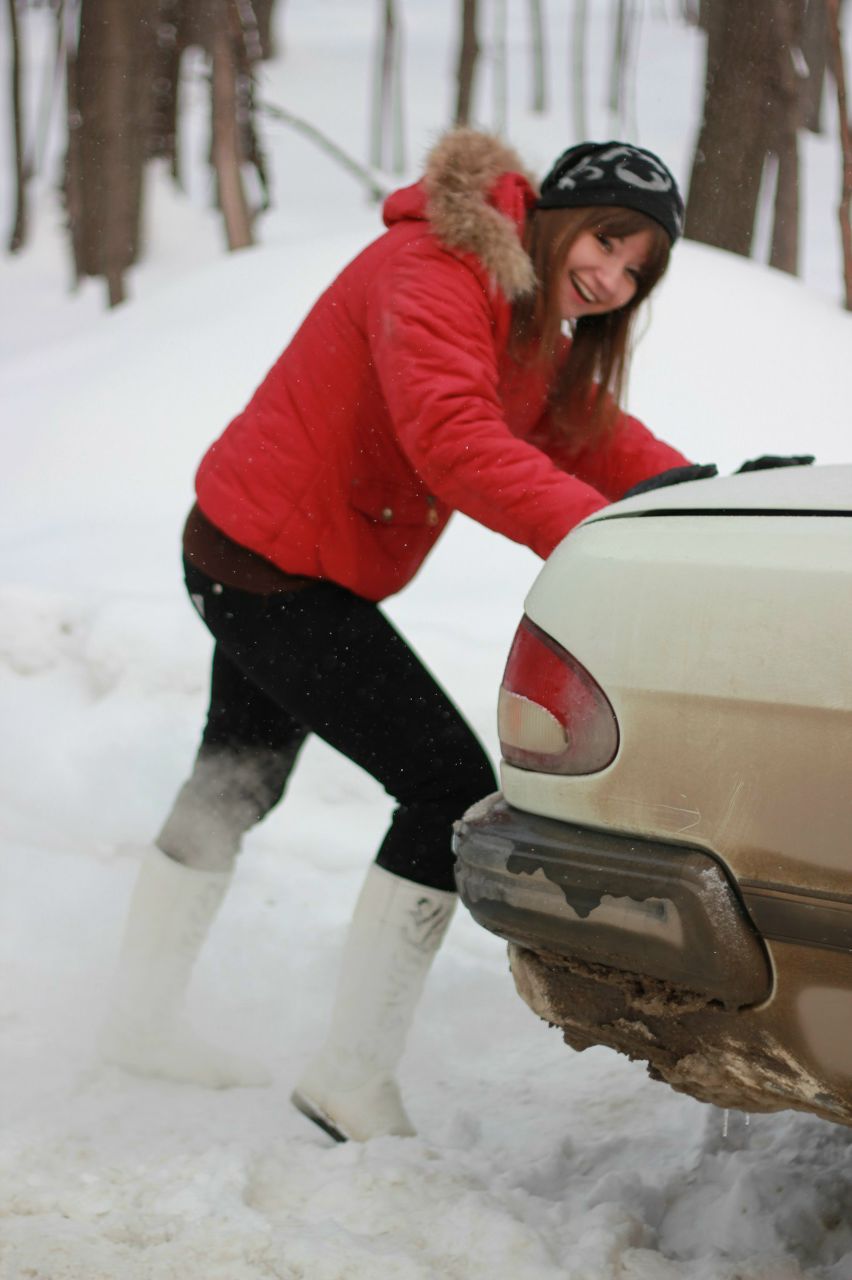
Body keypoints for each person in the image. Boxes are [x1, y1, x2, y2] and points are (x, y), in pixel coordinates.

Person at [99, 130, 696, 1143]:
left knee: (238, 772)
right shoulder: (438, 268)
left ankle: (135, 1022)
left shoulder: (517, 305)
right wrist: (595, 536)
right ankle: (349, 1076)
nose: (613, 275)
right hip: (269, 566)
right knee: (444, 789)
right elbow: (456, 439)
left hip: (275, 559)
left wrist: (699, 495)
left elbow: (576, 425)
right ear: (555, 214)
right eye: (608, 238)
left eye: (639, 267)